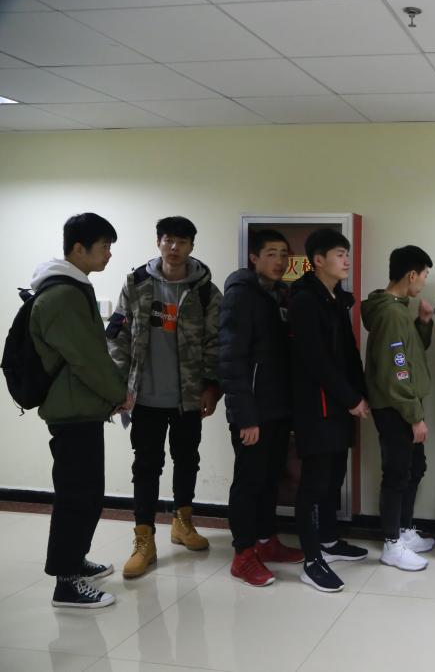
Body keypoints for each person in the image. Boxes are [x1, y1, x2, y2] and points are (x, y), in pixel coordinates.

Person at [108, 216, 222, 579]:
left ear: (191, 247)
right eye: (168, 240)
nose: (174, 248)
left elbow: (215, 343)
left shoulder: (205, 291)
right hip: (145, 397)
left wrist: (211, 387)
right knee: (146, 466)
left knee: (187, 460)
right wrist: (121, 385)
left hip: (188, 397)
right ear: (158, 242)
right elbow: (118, 336)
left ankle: (182, 522)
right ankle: (144, 539)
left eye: (182, 242)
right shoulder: (137, 283)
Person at [31, 213, 128, 608]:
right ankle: (66, 583)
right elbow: (88, 358)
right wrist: (119, 393)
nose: (109, 254)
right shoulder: (63, 295)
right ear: (78, 248)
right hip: (71, 412)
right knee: (77, 497)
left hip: (81, 408)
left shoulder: (72, 287)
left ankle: (75, 561)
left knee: (87, 494)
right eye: (104, 246)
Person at [219, 229, 304, 587]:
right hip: (253, 412)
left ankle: (267, 541)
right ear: (254, 257)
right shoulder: (241, 295)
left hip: (278, 408)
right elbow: (231, 358)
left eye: (284, 254)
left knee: (271, 479)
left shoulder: (279, 295)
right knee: (249, 482)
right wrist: (245, 416)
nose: (279, 261)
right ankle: (243, 554)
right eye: (271, 253)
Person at [289, 228, 371, 592]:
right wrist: (351, 398)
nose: (346, 260)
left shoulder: (336, 299)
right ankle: (312, 560)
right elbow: (315, 359)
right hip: (316, 407)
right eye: (340, 254)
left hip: (339, 406)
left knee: (334, 477)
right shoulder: (305, 300)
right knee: (314, 483)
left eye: (347, 254)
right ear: (318, 260)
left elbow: (349, 354)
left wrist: (361, 393)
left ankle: (328, 539)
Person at [363, 246, 435, 572]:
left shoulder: (400, 310)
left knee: (414, 468)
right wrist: (414, 416)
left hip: (404, 404)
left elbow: (409, 354)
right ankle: (392, 543)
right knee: (396, 473)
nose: (424, 282)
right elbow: (398, 370)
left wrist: (423, 323)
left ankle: (404, 530)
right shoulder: (391, 313)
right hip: (395, 407)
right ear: (411, 275)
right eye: (424, 275)